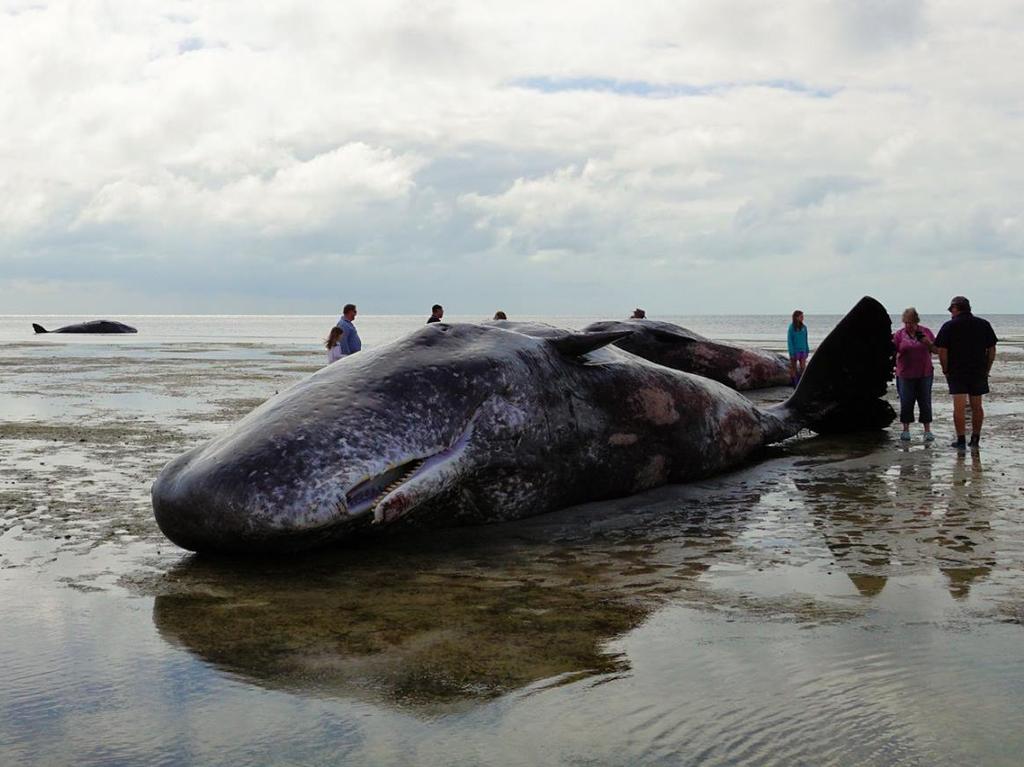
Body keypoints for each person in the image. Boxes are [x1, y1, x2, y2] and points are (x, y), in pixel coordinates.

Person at [934, 296, 997, 450]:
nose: (950, 312)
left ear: (956, 308)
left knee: (959, 407)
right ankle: (975, 438)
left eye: (951, 309)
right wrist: (987, 368)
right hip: (978, 370)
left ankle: (961, 439)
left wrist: (945, 369)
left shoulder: (949, 326)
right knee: (977, 406)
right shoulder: (983, 324)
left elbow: (942, 351)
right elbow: (992, 349)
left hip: (957, 371)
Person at [892, 307, 937, 442]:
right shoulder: (899, 335)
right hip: (905, 373)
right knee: (906, 402)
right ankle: (906, 430)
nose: (908, 325)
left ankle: (927, 430)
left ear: (916, 321)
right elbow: (893, 351)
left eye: (910, 322)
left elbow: (937, 350)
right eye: (905, 322)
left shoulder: (926, 332)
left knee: (925, 402)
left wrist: (927, 343)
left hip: (924, 373)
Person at [787, 310, 810, 386]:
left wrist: (807, 350)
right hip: (795, 351)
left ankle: (802, 383)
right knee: (794, 369)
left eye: (803, 316)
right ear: (796, 317)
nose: (803, 318)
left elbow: (806, 339)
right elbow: (790, 341)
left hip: (803, 350)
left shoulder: (804, 327)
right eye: (801, 316)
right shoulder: (791, 328)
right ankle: (794, 384)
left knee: (803, 368)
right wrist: (791, 352)